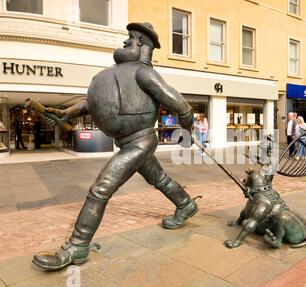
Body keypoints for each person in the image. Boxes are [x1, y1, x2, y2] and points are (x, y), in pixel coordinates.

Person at [31, 22, 198, 271]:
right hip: (128, 142)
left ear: (142, 41)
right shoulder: (119, 72)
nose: (125, 42)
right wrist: (66, 113)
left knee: (100, 189)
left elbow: (182, 106)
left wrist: (186, 133)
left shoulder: (144, 72)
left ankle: (77, 246)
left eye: (130, 38)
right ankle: (185, 204)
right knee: (159, 178)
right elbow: (91, 102)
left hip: (139, 141)